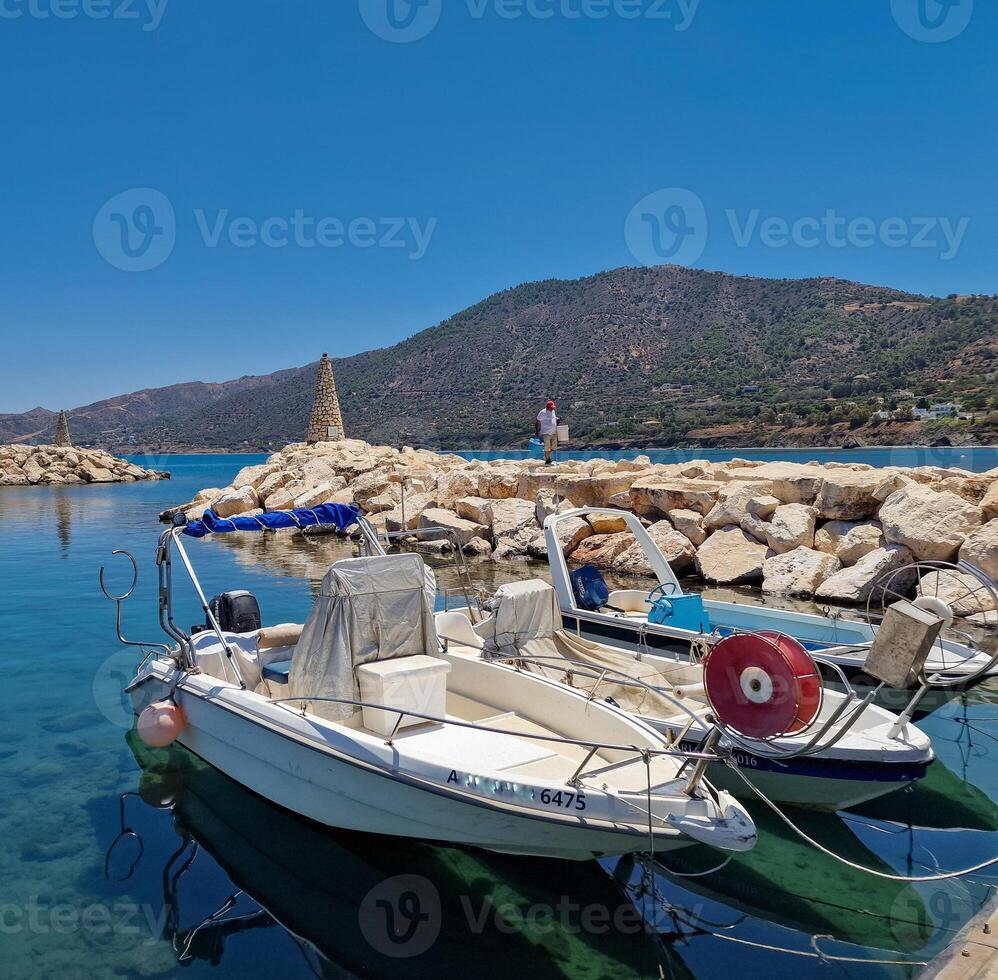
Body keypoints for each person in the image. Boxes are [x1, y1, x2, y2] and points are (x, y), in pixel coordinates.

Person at [535, 400, 560, 465]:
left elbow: (552, 418)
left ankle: (546, 456)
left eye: (553, 408)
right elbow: (537, 421)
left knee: (554, 447)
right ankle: (547, 459)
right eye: (551, 408)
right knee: (547, 447)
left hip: (554, 432)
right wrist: (537, 431)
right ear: (547, 407)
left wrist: (557, 419)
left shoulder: (553, 411)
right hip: (546, 432)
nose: (552, 409)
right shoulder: (542, 412)